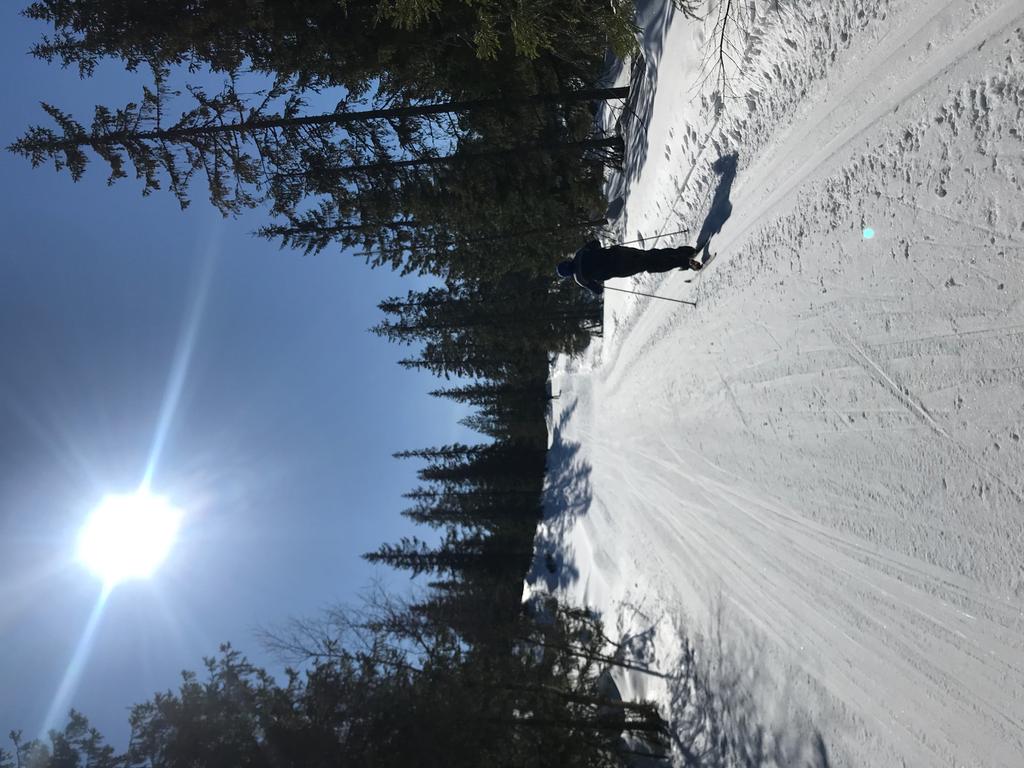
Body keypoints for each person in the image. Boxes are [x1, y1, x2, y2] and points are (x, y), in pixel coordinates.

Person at [556, 239, 702, 295]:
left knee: (651, 265)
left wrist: (597, 280)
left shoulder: (580, 279)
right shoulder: (580, 254)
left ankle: (684, 262)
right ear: (567, 262)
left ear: (568, 274)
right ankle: (686, 252)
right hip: (619, 253)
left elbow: (598, 290)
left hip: (621, 268)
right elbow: (596, 243)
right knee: (650, 255)